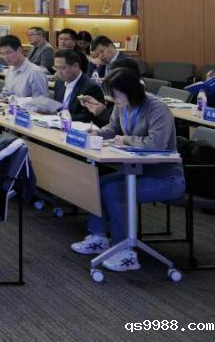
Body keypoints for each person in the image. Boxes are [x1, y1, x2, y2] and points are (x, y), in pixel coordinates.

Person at [70, 69, 185, 272]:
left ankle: (125, 251)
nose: (112, 99)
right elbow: (113, 129)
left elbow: (157, 143)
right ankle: (98, 237)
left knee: (113, 191)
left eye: (115, 94)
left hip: (166, 178)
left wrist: (126, 140)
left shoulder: (157, 108)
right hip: (137, 171)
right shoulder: (122, 105)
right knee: (95, 184)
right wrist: (96, 134)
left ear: (130, 91)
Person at [51, 49, 108, 125]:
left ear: (75, 66)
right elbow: (57, 106)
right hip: (56, 124)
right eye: (56, 68)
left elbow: (88, 117)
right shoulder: (59, 82)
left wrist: (60, 116)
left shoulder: (91, 87)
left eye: (63, 68)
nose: (58, 72)